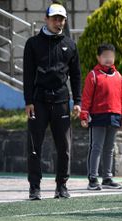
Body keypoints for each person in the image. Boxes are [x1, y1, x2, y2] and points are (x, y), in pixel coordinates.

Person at [23, 3, 81, 200]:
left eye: (61, 19)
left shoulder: (70, 44)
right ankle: (34, 188)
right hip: (38, 101)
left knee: (64, 147)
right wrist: (28, 100)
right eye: (55, 18)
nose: (58, 22)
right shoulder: (32, 43)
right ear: (46, 19)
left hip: (62, 100)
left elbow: (76, 75)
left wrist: (78, 101)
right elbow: (28, 74)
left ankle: (62, 186)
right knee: (33, 145)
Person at [80, 43, 122, 190]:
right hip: (98, 117)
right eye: (105, 56)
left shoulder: (119, 76)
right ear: (98, 58)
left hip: (114, 116)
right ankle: (93, 178)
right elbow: (87, 97)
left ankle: (107, 178)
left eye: (111, 56)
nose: (108, 59)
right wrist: (84, 115)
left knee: (109, 148)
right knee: (96, 147)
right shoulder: (93, 75)